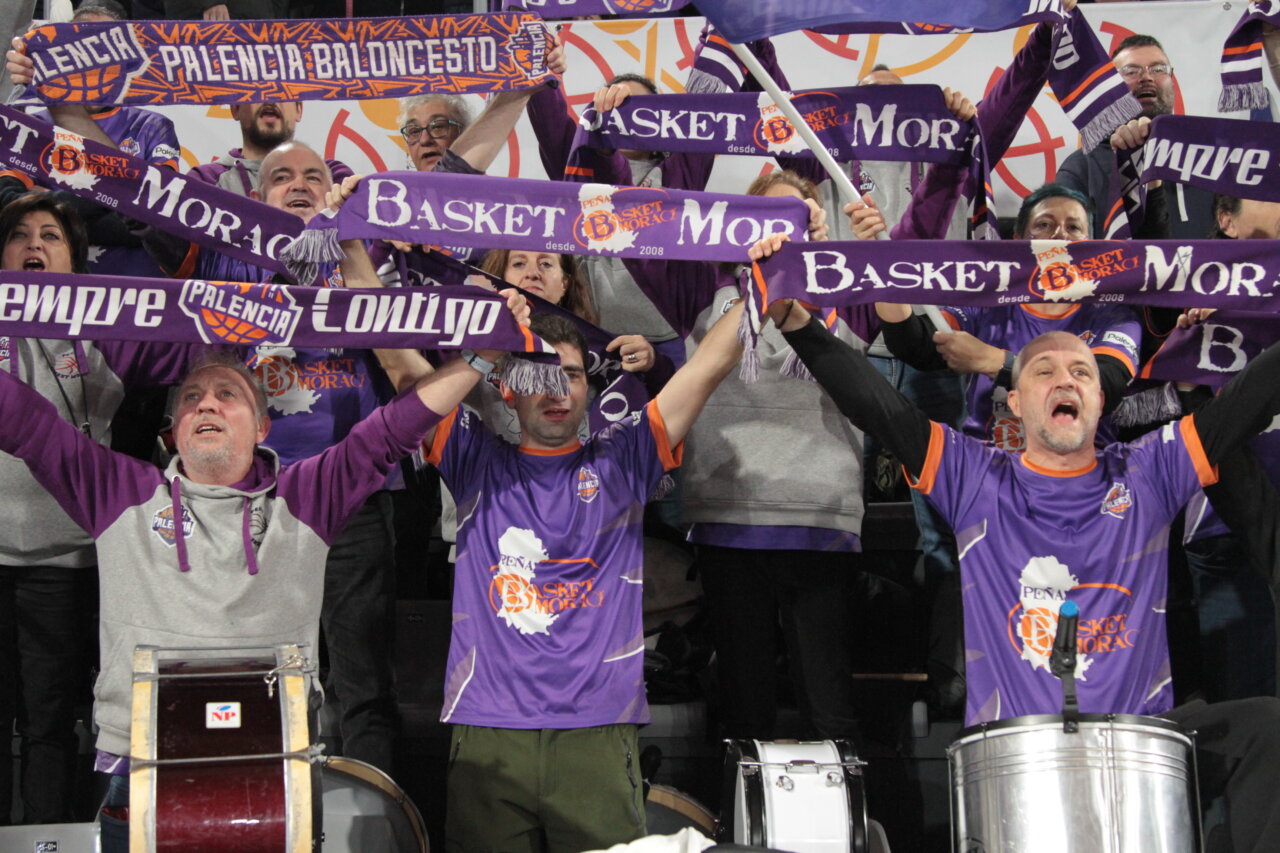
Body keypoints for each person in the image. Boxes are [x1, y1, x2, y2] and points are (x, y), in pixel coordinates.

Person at [754, 231, 1280, 852]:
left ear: (1098, 396)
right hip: (1020, 750)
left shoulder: (1149, 471)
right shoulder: (975, 477)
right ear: (1014, 398)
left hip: (1146, 738)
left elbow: (1249, 399)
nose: (1067, 379)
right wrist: (796, 323)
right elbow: (879, 408)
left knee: (1267, 728)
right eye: (1046, 369)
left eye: (1083, 371)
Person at [0, 285, 529, 850]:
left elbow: (391, 430)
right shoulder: (119, 492)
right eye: (191, 398)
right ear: (173, 428)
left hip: (277, 773)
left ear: (261, 428)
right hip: (142, 772)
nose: (204, 403)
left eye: (227, 394)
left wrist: (480, 358)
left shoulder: (304, 499)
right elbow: (26, 423)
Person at [367, 282, 746, 851]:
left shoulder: (627, 456)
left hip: (597, 729)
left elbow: (710, 364)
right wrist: (351, 256)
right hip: (489, 728)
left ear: (588, 388)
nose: (555, 389)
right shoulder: (474, 461)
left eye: (568, 374)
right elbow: (402, 369)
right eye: (537, 373)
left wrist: (770, 276)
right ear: (506, 387)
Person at [0, 194, 196, 825]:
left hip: (67, 563)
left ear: (75, 260)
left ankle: (44, 842)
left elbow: (192, 339)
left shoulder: (105, 323)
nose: (34, 245)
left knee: (50, 723)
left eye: (51, 236)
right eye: (20, 236)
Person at [1054, 34, 1213, 240]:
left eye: (1158, 69)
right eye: (1131, 71)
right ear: (1111, 88)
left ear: (1172, 80)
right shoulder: (1082, 167)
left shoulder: (1208, 157)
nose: (1147, 77)